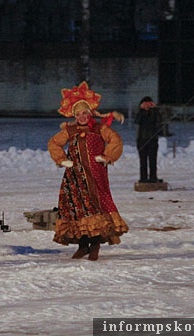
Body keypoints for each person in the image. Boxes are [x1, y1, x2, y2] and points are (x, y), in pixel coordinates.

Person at [47, 81, 128, 261]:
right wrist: (62, 160)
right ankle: (83, 246)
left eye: (85, 113)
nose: (82, 117)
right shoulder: (70, 130)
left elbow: (115, 140)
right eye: (78, 114)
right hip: (74, 177)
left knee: (95, 208)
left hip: (95, 176)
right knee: (76, 209)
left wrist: (107, 157)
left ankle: (95, 245)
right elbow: (54, 143)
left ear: (90, 113)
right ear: (74, 116)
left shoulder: (99, 129)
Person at [134, 96, 163, 183]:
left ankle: (153, 177)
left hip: (153, 140)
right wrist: (141, 110)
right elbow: (137, 121)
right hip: (141, 140)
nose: (147, 106)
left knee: (153, 160)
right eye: (145, 104)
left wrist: (154, 109)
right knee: (143, 161)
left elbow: (159, 120)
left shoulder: (154, 113)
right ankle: (143, 178)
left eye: (149, 104)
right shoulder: (140, 113)